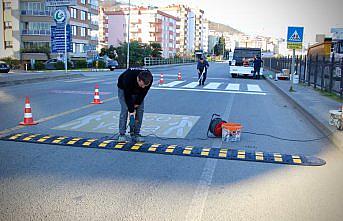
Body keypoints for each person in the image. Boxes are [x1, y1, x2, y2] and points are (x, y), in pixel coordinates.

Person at [117, 67, 153, 142]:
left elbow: (144, 92)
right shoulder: (128, 77)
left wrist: (137, 103)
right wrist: (131, 110)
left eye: (145, 86)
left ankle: (136, 134)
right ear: (138, 79)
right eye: (142, 84)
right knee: (125, 109)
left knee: (140, 110)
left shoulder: (149, 79)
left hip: (137, 92)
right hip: (124, 89)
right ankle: (122, 134)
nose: (143, 87)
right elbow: (127, 95)